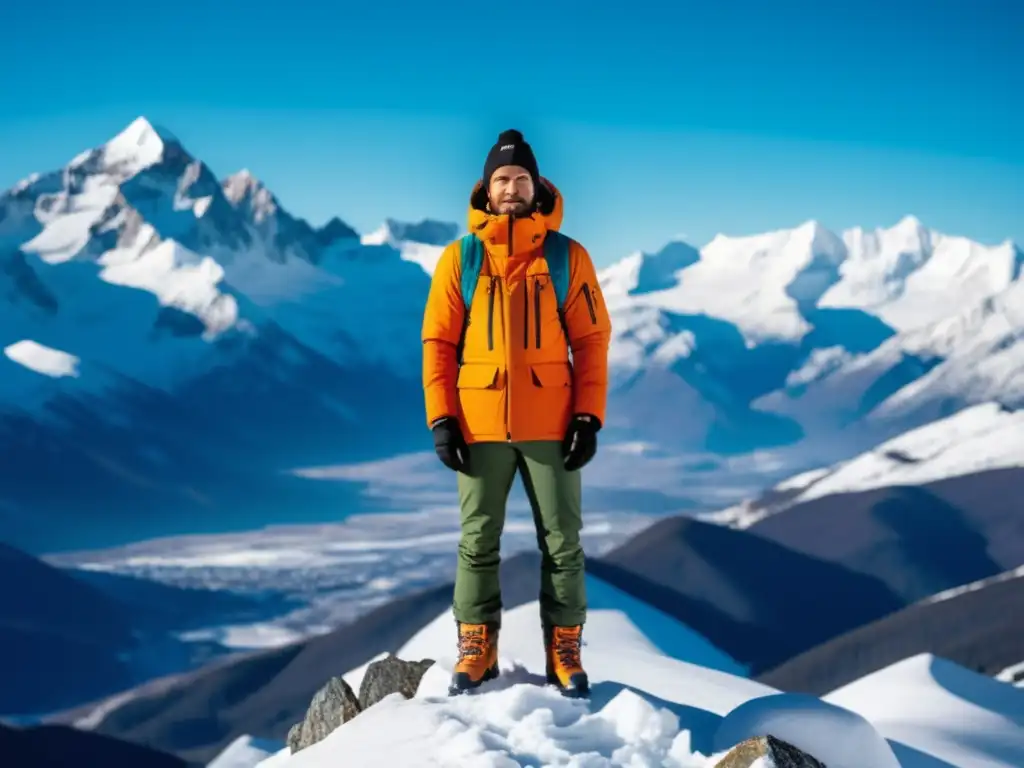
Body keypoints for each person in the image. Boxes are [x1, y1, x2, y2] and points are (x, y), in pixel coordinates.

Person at [420, 129, 612, 698]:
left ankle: (565, 650)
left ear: (537, 187)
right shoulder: (461, 258)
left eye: (521, 179)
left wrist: (587, 417)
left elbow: (593, 342)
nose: (511, 188)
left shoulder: (567, 257)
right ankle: (477, 647)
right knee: (477, 540)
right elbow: (438, 343)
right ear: (486, 187)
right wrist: (442, 418)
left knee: (563, 542)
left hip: (552, 424)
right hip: (478, 425)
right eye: (502, 180)